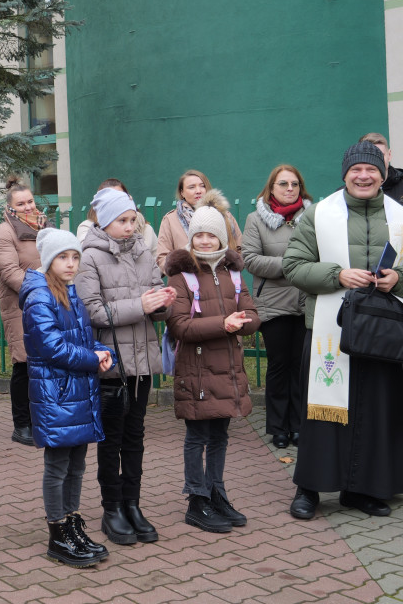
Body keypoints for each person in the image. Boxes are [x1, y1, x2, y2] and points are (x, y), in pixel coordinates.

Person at [283, 141, 403, 520]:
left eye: (371, 170)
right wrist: (337, 275)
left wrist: (397, 279)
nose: (364, 176)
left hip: (383, 331)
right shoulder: (319, 214)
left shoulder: (400, 216)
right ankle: (310, 490)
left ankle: (360, 489)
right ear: (345, 174)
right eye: (356, 170)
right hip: (329, 332)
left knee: (375, 411)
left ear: (382, 175)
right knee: (324, 412)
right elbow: (293, 265)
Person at [74, 188, 175, 545]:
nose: (130, 226)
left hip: (142, 364)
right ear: (104, 222)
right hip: (111, 364)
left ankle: (133, 505)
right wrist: (142, 305)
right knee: (111, 439)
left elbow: (154, 300)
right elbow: (93, 313)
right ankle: (111, 509)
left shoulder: (144, 252)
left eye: (133, 219)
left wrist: (163, 302)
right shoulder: (89, 258)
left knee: (135, 438)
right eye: (122, 220)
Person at [165, 192, 260, 533]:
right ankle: (197, 499)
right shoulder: (182, 276)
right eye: (199, 235)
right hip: (197, 371)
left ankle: (217, 492)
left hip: (228, 371)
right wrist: (225, 324)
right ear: (191, 238)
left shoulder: (234, 273)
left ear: (222, 236)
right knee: (197, 436)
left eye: (211, 234)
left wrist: (243, 322)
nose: (205, 240)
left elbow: (252, 314)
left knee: (220, 434)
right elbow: (179, 325)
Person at [20, 228, 113, 567]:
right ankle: (57, 532)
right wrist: (92, 359)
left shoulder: (69, 292)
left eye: (75, 257)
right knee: (58, 465)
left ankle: (72, 523)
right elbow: (52, 347)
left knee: (77, 462)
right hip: (56, 393)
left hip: (76, 391)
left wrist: (102, 352)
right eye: (63, 257)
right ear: (49, 260)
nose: (71, 263)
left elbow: (82, 338)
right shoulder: (39, 296)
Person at [241, 165, 312, 449]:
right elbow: (251, 259)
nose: (289, 189)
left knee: (300, 366)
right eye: (283, 184)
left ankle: (298, 425)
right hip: (273, 302)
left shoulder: (311, 217)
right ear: (271, 188)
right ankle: (278, 427)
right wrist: (292, 266)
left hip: (306, 300)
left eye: (294, 183)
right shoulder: (255, 219)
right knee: (279, 365)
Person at [0, 175, 49, 447]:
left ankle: (41, 418)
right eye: (21, 203)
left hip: (48, 304)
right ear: (11, 206)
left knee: (45, 362)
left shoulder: (44, 226)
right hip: (21, 306)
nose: (28, 207)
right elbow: (11, 273)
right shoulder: (4, 231)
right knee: (24, 363)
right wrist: (43, 285)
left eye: (30, 201)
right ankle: (21, 424)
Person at [156, 170, 242, 271]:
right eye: (191, 187)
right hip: (187, 281)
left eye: (202, 186)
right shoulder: (170, 220)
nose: (198, 191)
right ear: (182, 192)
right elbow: (162, 258)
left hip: (222, 279)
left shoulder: (226, 216)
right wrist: (183, 273)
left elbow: (239, 249)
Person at [76, 179, 159, 261]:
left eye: (121, 197)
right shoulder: (87, 227)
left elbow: (156, 263)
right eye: (112, 198)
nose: (129, 228)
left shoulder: (146, 229)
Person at [359, 132, 403, 203]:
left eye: (380, 155)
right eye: (370, 155)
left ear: (389, 155)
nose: (376, 160)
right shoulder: (346, 193)